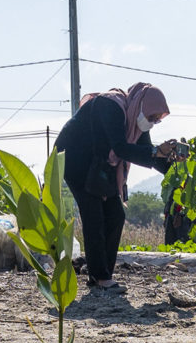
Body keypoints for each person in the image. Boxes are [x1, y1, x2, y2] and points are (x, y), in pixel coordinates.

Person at [55, 82, 187, 289]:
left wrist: (172, 162)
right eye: (151, 117)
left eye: (156, 121)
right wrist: (155, 152)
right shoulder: (111, 105)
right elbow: (121, 148)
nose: (151, 123)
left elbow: (145, 153)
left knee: (116, 215)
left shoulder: (136, 120)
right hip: (76, 160)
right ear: (141, 104)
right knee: (94, 214)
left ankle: (101, 274)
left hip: (98, 165)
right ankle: (100, 277)